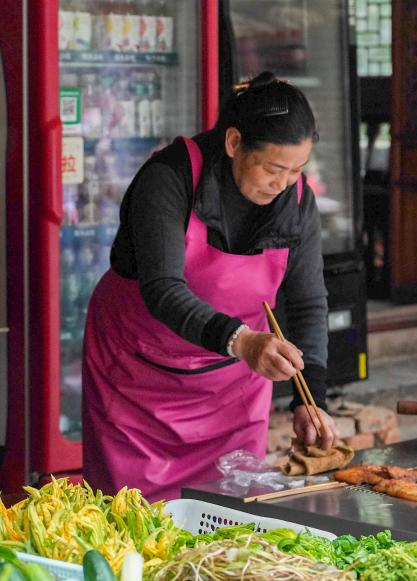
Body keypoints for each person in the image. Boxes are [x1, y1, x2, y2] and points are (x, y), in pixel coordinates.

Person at [82, 72, 337, 500]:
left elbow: (308, 300)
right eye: (274, 168)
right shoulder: (170, 177)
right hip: (137, 379)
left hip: (232, 385)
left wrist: (308, 397)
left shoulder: (295, 199)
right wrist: (241, 341)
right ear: (234, 143)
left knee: (230, 509)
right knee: (132, 520)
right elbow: (163, 289)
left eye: (297, 170)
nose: (284, 184)